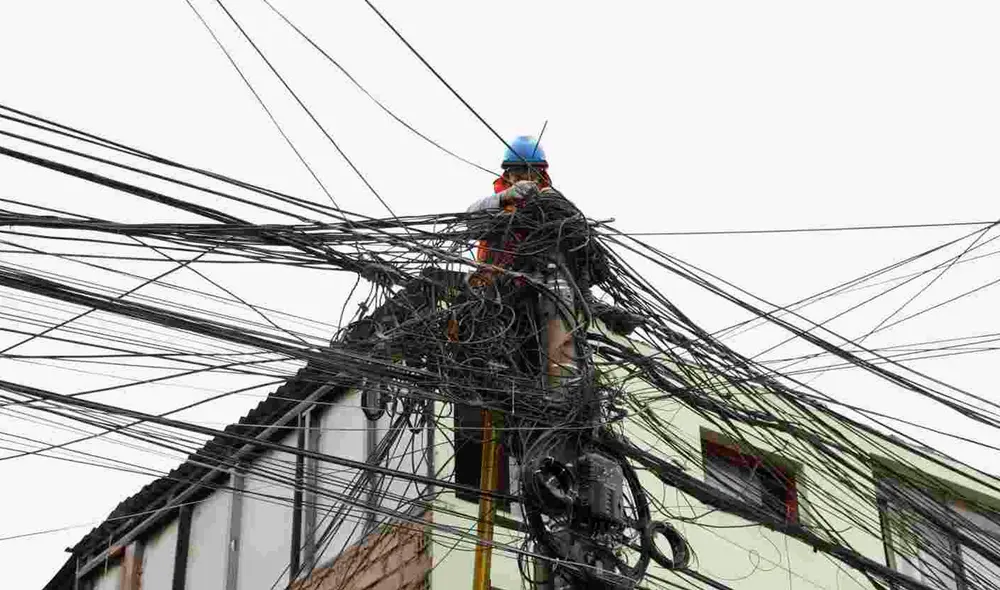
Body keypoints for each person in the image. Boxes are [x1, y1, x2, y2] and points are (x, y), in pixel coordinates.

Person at [465, 136, 598, 391]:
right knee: (497, 358)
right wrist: (504, 198)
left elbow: (581, 252)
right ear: (507, 175)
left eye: (528, 172)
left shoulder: (554, 206)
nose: (522, 178)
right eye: (516, 173)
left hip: (543, 293)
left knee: (549, 366)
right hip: (497, 292)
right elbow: (470, 219)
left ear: (540, 175)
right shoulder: (497, 204)